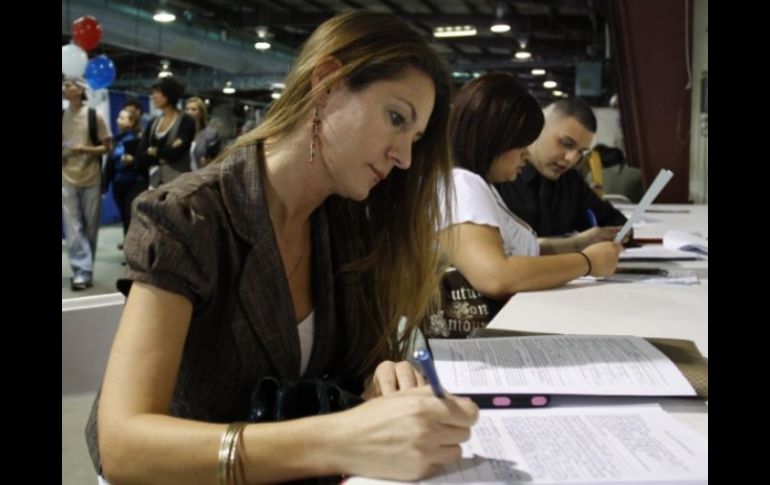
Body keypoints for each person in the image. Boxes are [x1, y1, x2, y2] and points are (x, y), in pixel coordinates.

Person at [86, 11, 478, 484]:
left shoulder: (349, 223)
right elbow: (123, 446)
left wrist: (381, 377)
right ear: (326, 84)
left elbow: (344, 370)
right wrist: (333, 439)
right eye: (396, 118)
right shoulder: (188, 217)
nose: (405, 157)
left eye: (415, 139)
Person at [425, 73, 621, 338]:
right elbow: (496, 275)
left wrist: (576, 244)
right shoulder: (463, 185)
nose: (526, 153)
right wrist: (587, 262)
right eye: (520, 144)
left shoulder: (478, 184)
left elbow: (512, 250)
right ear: (494, 140)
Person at [494, 97, 628, 237]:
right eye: (566, 144)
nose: (572, 159)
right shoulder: (498, 176)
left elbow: (614, 222)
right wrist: (575, 244)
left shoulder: (571, 182)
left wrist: (623, 233)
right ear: (538, 128)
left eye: (581, 152)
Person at [62, 75, 112, 290]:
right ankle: (81, 271)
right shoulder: (62, 115)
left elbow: (107, 146)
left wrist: (84, 149)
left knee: (90, 227)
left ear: (80, 89)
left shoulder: (94, 116)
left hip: (91, 177)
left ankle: (86, 269)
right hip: (67, 177)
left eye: (69, 85)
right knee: (73, 227)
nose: (64, 88)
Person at [135, 76, 196, 187]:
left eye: (157, 92)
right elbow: (140, 155)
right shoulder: (153, 122)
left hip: (178, 182)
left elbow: (176, 153)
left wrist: (154, 151)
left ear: (169, 94)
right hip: (154, 182)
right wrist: (161, 157)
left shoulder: (186, 120)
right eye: (152, 92)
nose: (153, 96)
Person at [102, 108, 147, 238]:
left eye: (122, 118)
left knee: (131, 216)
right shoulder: (116, 140)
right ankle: (128, 245)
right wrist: (105, 184)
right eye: (118, 117)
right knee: (124, 217)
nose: (118, 120)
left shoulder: (141, 138)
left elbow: (145, 159)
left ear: (132, 122)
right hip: (118, 183)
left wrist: (133, 160)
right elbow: (110, 163)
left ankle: (137, 246)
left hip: (136, 183)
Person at [185, 96, 222, 169]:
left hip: (201, 172)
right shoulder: (182, 133)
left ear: (201, 113)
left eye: (193, 109)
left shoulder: (211, 134)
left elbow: (216, 158)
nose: (189, 112)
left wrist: (209, 161)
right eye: (187, 109)